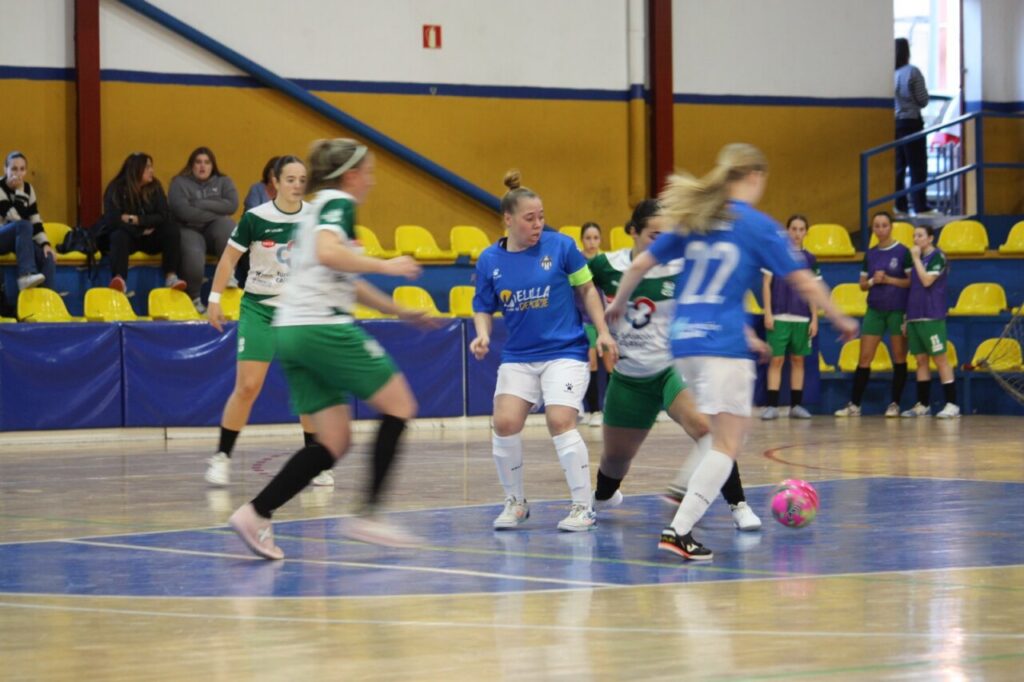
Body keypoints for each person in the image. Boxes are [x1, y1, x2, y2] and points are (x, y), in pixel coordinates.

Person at [605, 143, 857, 561]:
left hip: (684, 341)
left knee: (716, 433)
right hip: (720, 344)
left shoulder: (697, 219)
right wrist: (839, 316)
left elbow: (637, 266)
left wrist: (616, 304)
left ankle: (685, 493)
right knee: (727, 442)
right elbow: (804, 282)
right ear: (754, 177)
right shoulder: (758, 226)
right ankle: (680, 527)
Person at [228, 138, 431, 559]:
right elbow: (328, 255)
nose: (371, 181)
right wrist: (387, 265)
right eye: (369, 173)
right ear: (351, 175)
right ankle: (370, 514)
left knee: (333, 441)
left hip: (291, 331)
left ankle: (256, 512)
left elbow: (343, 279)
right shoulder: (339, 202)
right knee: (400, 405)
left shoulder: (316, 213)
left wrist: (398, 310)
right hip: (321, 327)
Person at [588, 199, 761, 531]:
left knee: (708, 430)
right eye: (655, 235)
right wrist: (600, 332)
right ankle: (604, 495)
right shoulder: (607, 266)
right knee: (614, 461)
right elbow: (582, 289)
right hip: (629, 377)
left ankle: (739, 505)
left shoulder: (683, 266)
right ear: (632, 232)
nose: (664, 242)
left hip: (671, 369)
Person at [470, 170, 618, 532]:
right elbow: (482, 306)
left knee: (560, 420)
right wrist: (482, 335)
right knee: (504, 422)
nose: (538, 224)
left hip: (564, 351)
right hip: (519, 356)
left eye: (541, 217)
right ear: (508, 219)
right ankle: (516, 502)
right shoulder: (490, 260)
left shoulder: (562, 247)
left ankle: (583, 507)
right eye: (529, 218)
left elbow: (587, 291)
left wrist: (602, 331)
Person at [204, 155, 330, 488]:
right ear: (275, 181)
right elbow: (229, 260)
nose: (297, 185)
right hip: (260, 308)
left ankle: (315, 459)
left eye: (302, 179)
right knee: (247, 387)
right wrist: (214, 299)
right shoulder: (256, 218)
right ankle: (221, 457)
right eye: (290, 179)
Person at [835, 211, 911, 417]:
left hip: (896, 310)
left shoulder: (903, 252)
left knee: (899, 357)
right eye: (876, 226)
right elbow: (862, 285)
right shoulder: (870, 254)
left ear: (891, 227)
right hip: (874, 310)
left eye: (884, 225)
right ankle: (854, 405)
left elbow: (910, 282)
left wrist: (888, 280)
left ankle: (894, 404)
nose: (880, 229)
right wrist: (872, 281)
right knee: (864, 357)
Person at [761, 214, 820, 420]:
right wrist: (767, 312)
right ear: (787, 231)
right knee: (776, 360)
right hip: (779, 315)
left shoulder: (810, 259)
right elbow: (766, 285)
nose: (796, 233)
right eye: (793, 229)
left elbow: (813, 290)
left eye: (801, 229)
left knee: (798, 361)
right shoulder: (775, 254)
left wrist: (814, 318)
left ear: (806, 232)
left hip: (802, 317)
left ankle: (796, 405)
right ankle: (772, 406)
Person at [101, 152, 186, 293]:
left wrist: (137, 219)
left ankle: (171, 276)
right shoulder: (115, 188)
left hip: (151, 236)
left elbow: (164, 215)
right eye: (147, 167)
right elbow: (112, 220)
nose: (151, 171)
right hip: (130, 237)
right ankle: (119, 279)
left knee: (171, 229)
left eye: (151, 167)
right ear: (136, 169)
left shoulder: (155, 187)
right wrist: (139, 230)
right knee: (118, 235)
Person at [168, 146, 239, 312]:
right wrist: (217, 211)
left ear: (212, 165)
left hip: (214, 228)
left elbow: (232, 205)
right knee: (194, 256)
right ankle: (195, 298)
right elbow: (182, 211)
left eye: (207, 162)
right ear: (191, 165)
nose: (202, 166)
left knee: (229, 226)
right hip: (188, 228)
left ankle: (230, 275)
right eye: (198, 162)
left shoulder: (224, 181)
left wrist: (199, 204)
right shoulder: (178, 182)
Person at [901, 225, 959, 418]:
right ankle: (923, 405)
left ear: (930, 238)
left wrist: (916, 258)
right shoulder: (913, 260)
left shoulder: (938, 257)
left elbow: (927, 281)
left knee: (940, 358)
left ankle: (952, 404)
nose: (916, 239)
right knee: (920, 361)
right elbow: (911, 287)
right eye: (914, 236)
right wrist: (906, 318)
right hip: (915, 315)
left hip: (932, 315)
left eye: (920, 236)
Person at [0, 151, 56, 291]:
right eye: (13, 168)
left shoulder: (28, 189)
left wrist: (45, 243)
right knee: (23, 225)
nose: (17, 173)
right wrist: (19, 191)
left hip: (19, 238)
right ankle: (26, 274)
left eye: (22, 169)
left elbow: (35, 219)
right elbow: (12, 217)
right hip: (3, 235)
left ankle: (45, 300)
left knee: (47, 256)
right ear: (4, 169)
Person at [894, 37, 935, 216]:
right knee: (917, 165)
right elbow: (923, 99)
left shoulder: (890, 73)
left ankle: (900, 205)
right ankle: (920, 205)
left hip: (894, 124)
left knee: (899, 166)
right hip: (912, 122)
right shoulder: (912, 72)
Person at [580, 221, 604, 425]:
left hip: (605, 320)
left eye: (595, 238)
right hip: (585, 320)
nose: (592, 242)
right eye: (588, 238)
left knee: (612, 363)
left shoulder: (605, 262)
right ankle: (594, 410)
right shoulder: (577, 262)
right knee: (592, 363)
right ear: (582, 240)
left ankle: (612, 410)